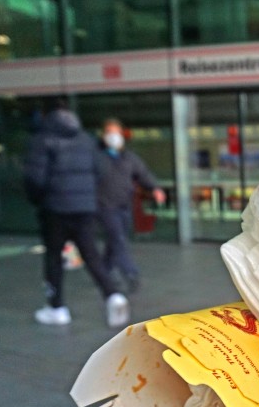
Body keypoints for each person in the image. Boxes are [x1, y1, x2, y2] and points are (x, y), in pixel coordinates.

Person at [24, 98, 130, 327]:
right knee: (90, 253)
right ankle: (113, 294)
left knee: (53, 256)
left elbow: (34, 178)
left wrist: (37, 200)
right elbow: (100, 170)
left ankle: (57, 308)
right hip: (85, 207)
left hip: (55, 208)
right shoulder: (85, 140)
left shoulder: (42, 140)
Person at [96, 118, 166, 293]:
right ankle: (131, 273)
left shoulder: (129, 157)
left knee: (115, 241)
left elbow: (143, 174)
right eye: (109, 132)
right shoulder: (96, 157)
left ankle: (103, 271)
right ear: (104, 135)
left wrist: (155, 188)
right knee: (118, 239)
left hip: (124, 206)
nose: (114, 137)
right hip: (104, 206)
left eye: (116, 133)